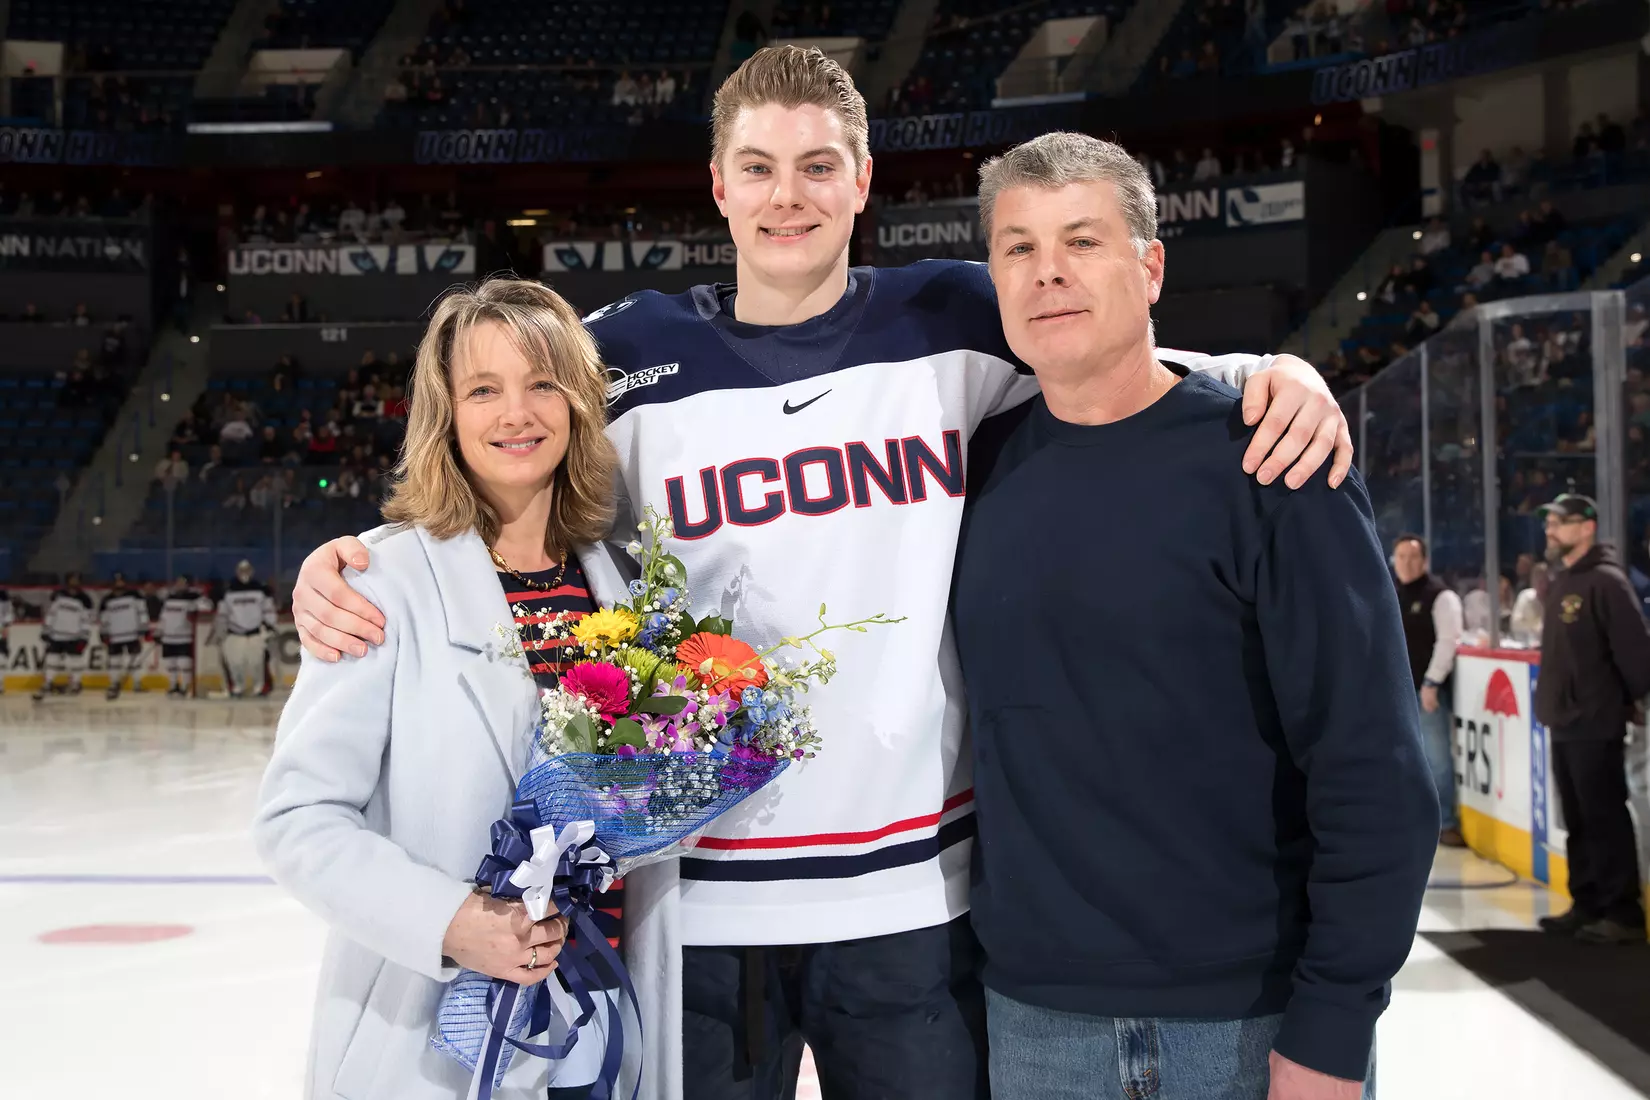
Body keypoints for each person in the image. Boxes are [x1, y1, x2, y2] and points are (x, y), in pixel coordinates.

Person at [288, 46, 1356, 1100]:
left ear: (862, 182)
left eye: (816, 166)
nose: (785, 196)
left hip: (913, 908)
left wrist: (1268, 372)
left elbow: (1108, 348)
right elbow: (490, 443)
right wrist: (346, 560)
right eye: (756, 167)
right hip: (695, 913)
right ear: (718, 184)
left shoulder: (956, 318)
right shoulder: (629, 357)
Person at [952, 131, 1434, 1100]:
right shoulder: (967, 468)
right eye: (1018, 247)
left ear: (1151, 265)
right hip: (1032, 1020)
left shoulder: (1271, 461)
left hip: (1247, 1023)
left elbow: (1371, 763)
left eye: (1082, 240)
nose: (1049, 272)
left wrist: (1335, 1025)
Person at [252, 278, 631, 1100]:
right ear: (446, 414)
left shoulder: (620, 585)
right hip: (436, 1039)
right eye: (484, 390)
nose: (516, 413)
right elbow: (298, 821)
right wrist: (453, 925)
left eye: (542, 385)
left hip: (605, 1020)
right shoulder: (380, 581)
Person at [1534, 494, 1650, 945]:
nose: (1551, 530)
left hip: (1595, 721)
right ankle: (1587, 903)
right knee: (1578, 820)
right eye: (1550, 523)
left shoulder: (1606, 581)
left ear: (1587, 528)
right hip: (1565, 720)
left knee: (1604, 817)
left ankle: (1622, 912)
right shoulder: (1563, 582)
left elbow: (1637, 659)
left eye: (1560, 522)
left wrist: (1616, 703)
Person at [1392, 534, 1466, 847]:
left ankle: (1445, 822)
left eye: (1412, 558)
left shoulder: (1440, 596)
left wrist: (1432, 683)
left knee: (1435, 758)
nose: (1406, 564)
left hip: (1425, 692)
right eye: (1400, 558)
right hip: (1395, 693)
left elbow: (1448, 641)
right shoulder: (1390, 591)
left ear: (1424, 561)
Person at [218, 560, 275, 697]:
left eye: (247, 570)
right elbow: (222, 613)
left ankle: (259, 687)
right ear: (237, 572)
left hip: (255, 632)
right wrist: (221, 629)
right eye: (242, 571)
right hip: (235, 633)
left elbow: (268, 610)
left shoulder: (261, 589)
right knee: (235, 663)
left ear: (251, 571)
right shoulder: (229, 590)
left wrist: (270, 625)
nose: (244, 574)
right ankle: (238, 687)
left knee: (257, 663)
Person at [33, 572, 94, 700]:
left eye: (76, 580)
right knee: (51, 660)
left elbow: (87, 620)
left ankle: (75, 683)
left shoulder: (85, 599)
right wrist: (46, 630)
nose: (74, 582)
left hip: (74, 636)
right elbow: (51, 614)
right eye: (72, 580)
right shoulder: (57, 595)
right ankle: (48, 682)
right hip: (56, 635)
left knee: (75, 662)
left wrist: (84, 637)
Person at [158, 575, 212, 697]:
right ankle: (173, 686)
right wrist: (159, 630)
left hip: (184, 636)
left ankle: (185, 686)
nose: (180, 584)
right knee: (171, 664)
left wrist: (196, 606)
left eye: (183, 582)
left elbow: (208, 605)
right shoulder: (169, 598)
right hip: (168, 636)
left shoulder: (194, 597)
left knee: (184, 664)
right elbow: (163, 617)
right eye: (178, 582)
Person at [99, 572, 151, 700]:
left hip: (131, 633)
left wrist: (143, 628)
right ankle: (114, 683)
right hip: (115, 635)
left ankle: (137, 683)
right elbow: (104, 619)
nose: (119, 583)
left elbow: (142, 612)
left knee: (135, 659)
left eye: (121, 581)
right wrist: (103, 632)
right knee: (114, 661)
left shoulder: (135, 595)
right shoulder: (107, 599)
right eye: (117, 581)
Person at [1510, 562, 1549, 644]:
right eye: (1540, 582)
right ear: (1533, 582)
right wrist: (1536, 628)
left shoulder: (1554, 598)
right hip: (1524, 645)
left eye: (1546, 581)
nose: (1544, 586)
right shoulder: (1525, 597)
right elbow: (1515, 624)